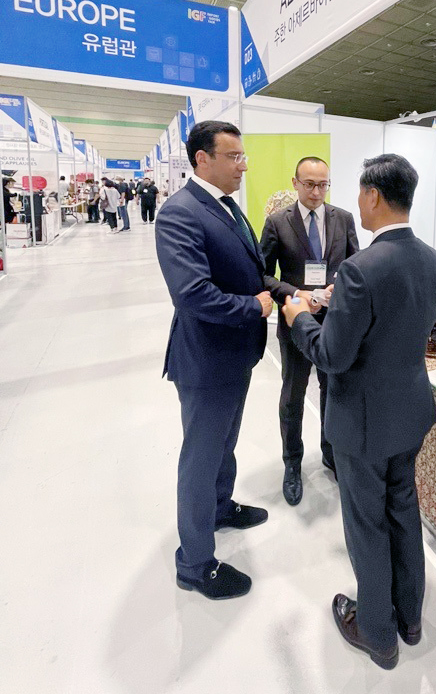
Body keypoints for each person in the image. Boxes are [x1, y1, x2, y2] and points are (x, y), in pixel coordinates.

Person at [283, 155, 436, 671]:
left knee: (367, 525)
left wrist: (299, 318)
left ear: (373, 196)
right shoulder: (431, 258)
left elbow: (332, 355)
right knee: (403, 511)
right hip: (409, 414)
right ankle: (410, 619)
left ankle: (376, 632)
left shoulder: (360, 269)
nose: (355, 202)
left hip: (364, 423)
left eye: (357, 192)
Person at [155, 120, 273, 601]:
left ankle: (221, 508)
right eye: (233, 156)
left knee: (225, 443)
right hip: (206, 361)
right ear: (202, 159)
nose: (243, 165)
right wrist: (254, 308)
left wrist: (288, 293)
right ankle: (195, 564)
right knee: (200, 461)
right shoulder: (179, 213)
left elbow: (252, 273)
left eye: (243, 156)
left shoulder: (226, 206)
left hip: (235, 355)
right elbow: (192, 294)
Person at [260, 156, 359, 505]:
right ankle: (292, 463)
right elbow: (262, 275)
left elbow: (354, 265)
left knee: (334, 390)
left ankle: (331, 453)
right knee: (294, 393)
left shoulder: (342, 218)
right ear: (295, 183)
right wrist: (295, 293)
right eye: (309, 184)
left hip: (334, 321)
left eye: (323, 185)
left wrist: (338, 287)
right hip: (296, 322)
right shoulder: (277, 222)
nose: (316, 192)